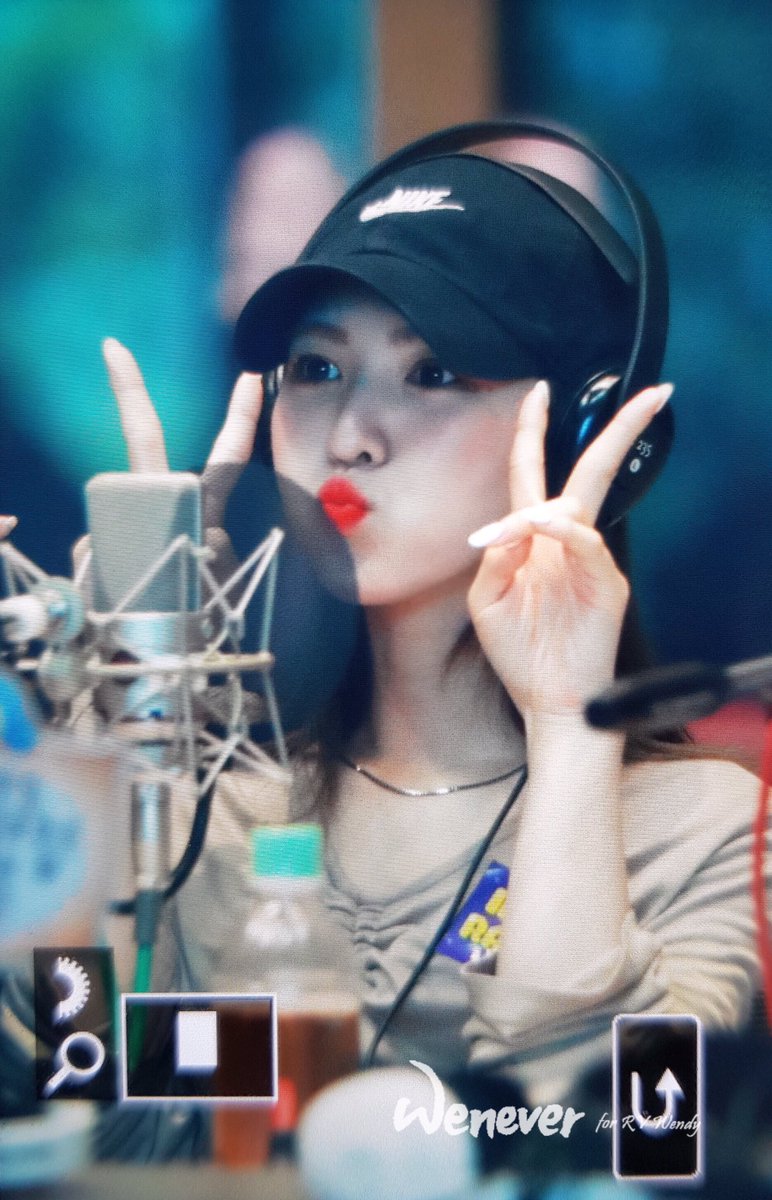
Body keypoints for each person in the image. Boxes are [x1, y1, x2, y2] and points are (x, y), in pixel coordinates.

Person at [5, 125, 768, 1129]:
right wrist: (111, 741)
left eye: (433, 372)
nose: (351, 436)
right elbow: (80, 1083)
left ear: (583, 435)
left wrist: (567, 729)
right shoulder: (210, 811)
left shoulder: (704, 824)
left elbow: (626, 1135)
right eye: (317, 370)